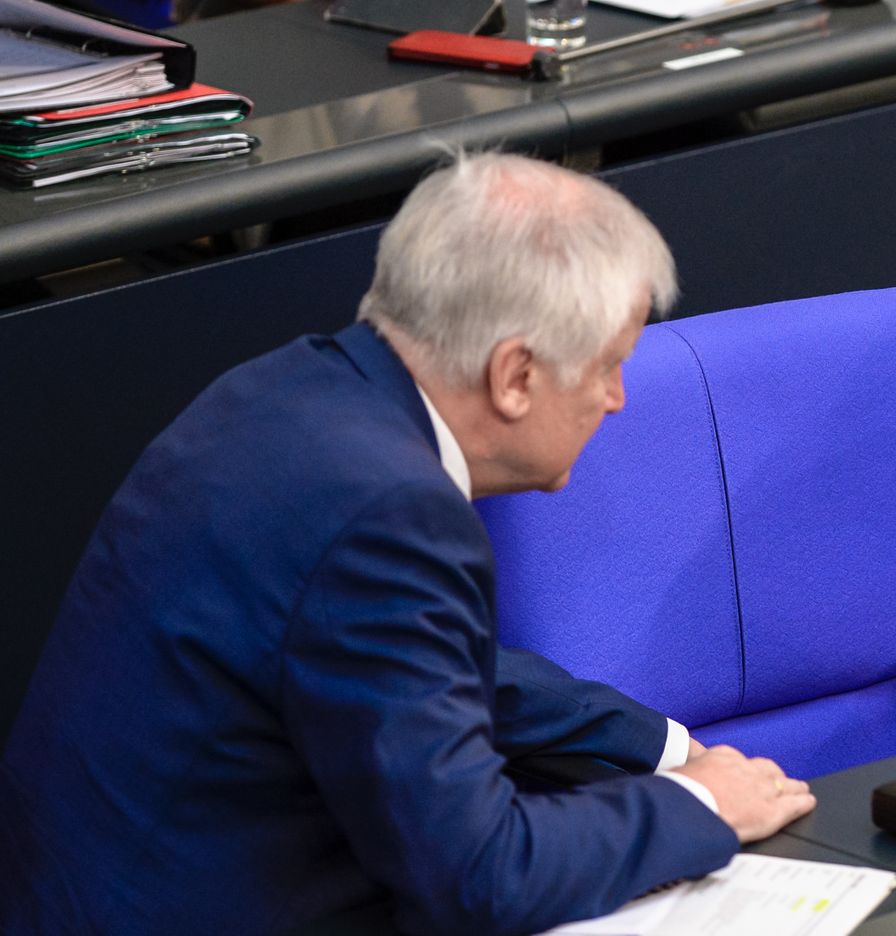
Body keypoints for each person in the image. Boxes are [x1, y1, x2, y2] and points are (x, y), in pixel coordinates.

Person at [0, 153, 816, 935]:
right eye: (608, 364)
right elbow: (479, 878)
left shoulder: (288, 390)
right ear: (515, 375)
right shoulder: (387, 512)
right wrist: (703, 806)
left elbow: (415, 668)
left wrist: (661, 747)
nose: (617, 399)